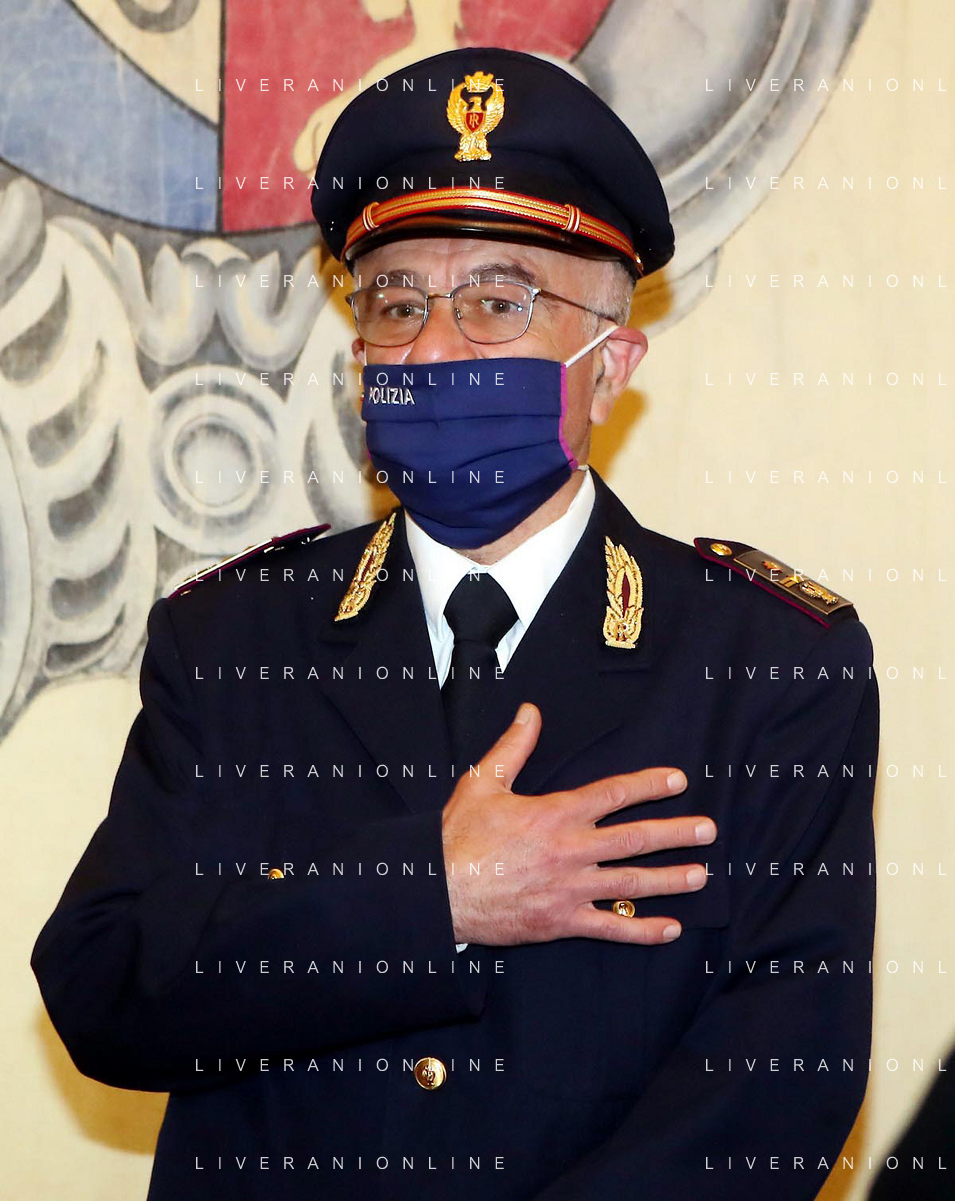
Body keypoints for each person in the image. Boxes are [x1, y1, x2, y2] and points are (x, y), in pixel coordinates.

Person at [32, 46, 879, 1200]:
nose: (432, 349)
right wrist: (427, 895)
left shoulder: (768, 668)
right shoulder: (232, 643)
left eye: (495, 301)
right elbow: (104, 991)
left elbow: (779, 1086)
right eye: (396, 304)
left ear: (610, 365)